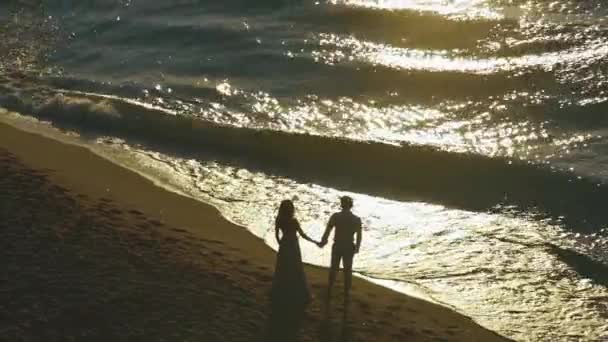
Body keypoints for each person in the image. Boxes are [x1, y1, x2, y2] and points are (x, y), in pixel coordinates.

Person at [268, 199, 318, 340]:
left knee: (283, 270)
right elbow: (302, 235)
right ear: (291, 209)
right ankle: (295, 293)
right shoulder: (294, 221)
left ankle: (281, 292)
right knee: (295, 270)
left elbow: (277, 235)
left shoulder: (279, 220)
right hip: (293, 246)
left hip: (284, 245)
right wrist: (315, 242)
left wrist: (280, 244)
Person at [318, 196, 362, 319]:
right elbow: (359, 236)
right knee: (348, 270)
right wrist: (357, 248)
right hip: (349, 246)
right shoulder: (356, 219)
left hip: (337, 245)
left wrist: (323, 241)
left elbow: (328, 230)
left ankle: (330, 288)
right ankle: (347, 293)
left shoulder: (336, 216)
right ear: (351, 205)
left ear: (342, 205)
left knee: (334, 268)